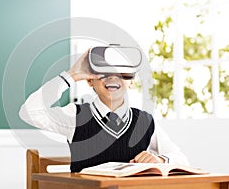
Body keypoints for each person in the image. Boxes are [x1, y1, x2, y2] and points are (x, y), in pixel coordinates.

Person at [19, 49, 189, 172]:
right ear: (90, 81)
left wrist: (159, 159)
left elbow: (181, 159)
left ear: (131, 82)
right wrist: (71, 76)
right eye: (103, 72)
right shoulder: (75, 117)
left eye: (121, 73)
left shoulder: (145, 121)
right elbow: (29, 112)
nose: (112, 77)